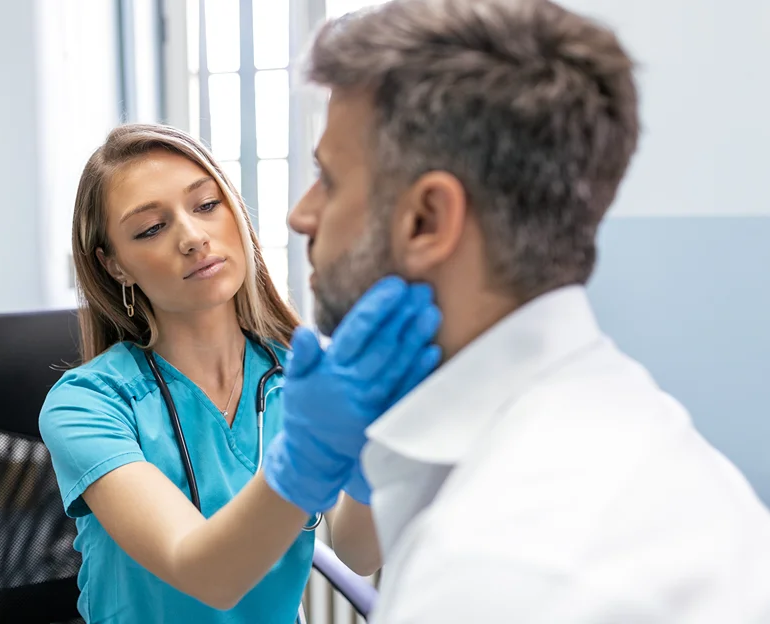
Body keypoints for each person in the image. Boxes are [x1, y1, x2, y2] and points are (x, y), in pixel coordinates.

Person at [281, 0, 770, 621]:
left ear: (427, 220)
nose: (301, 214)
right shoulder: (613, 416)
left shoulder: (501, 570)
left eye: (330, 178)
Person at [38, 123, 440, 623]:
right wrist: (308, 457)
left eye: (206, 205)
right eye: (150, 229)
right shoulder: (87, 403)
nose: (192, 237)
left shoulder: (300, 375)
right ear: (115, 265)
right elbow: (206, 575)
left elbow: (360, 553)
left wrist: (379, 444)